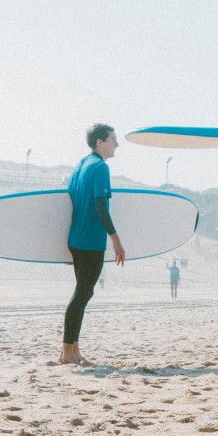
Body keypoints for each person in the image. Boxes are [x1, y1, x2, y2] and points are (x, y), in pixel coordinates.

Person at [60, 123, 125, 365]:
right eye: (113, 140)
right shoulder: (100, 168)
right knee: (82, 294)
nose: (116, 145)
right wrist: (116, 241)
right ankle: (67, 350)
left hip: (76, 240)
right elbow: (100, 206)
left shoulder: (80, 166)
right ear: (100, 142)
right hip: (90, 241)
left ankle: (73, 349)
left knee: (82, 292)